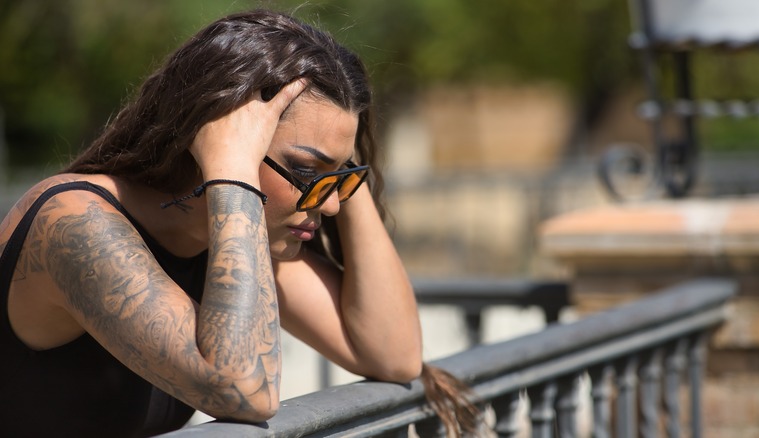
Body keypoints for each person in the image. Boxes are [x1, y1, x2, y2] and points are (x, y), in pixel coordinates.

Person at [0, 8, 478, 437]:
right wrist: (233, 172)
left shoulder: (239, 235)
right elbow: (246, 391)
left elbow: (394, 355)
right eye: (307, 171)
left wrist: (338, 171)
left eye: (338, 177)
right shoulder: (74, 223)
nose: (329, 206)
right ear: (214, 138)